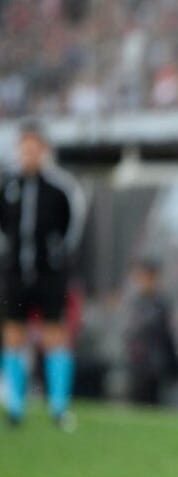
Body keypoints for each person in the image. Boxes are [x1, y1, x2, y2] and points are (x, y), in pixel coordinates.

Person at [0, 119, 86, 428]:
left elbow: (72, 231)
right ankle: (15, 406)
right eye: (25, 148)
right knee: (13, 336)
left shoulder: (60, 188)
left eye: (35, 148)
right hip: (14, 273)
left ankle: (58, 407)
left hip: (49, 276)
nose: (29, 154)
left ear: (44, 150)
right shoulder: (8, 184)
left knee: (55, 335)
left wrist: (55, 261)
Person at [124, 257, 178, 406]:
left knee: (152, 402)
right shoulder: (136, 301)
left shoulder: (161, 303)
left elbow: (167, 335)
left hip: (155, 364)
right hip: (137, 363)